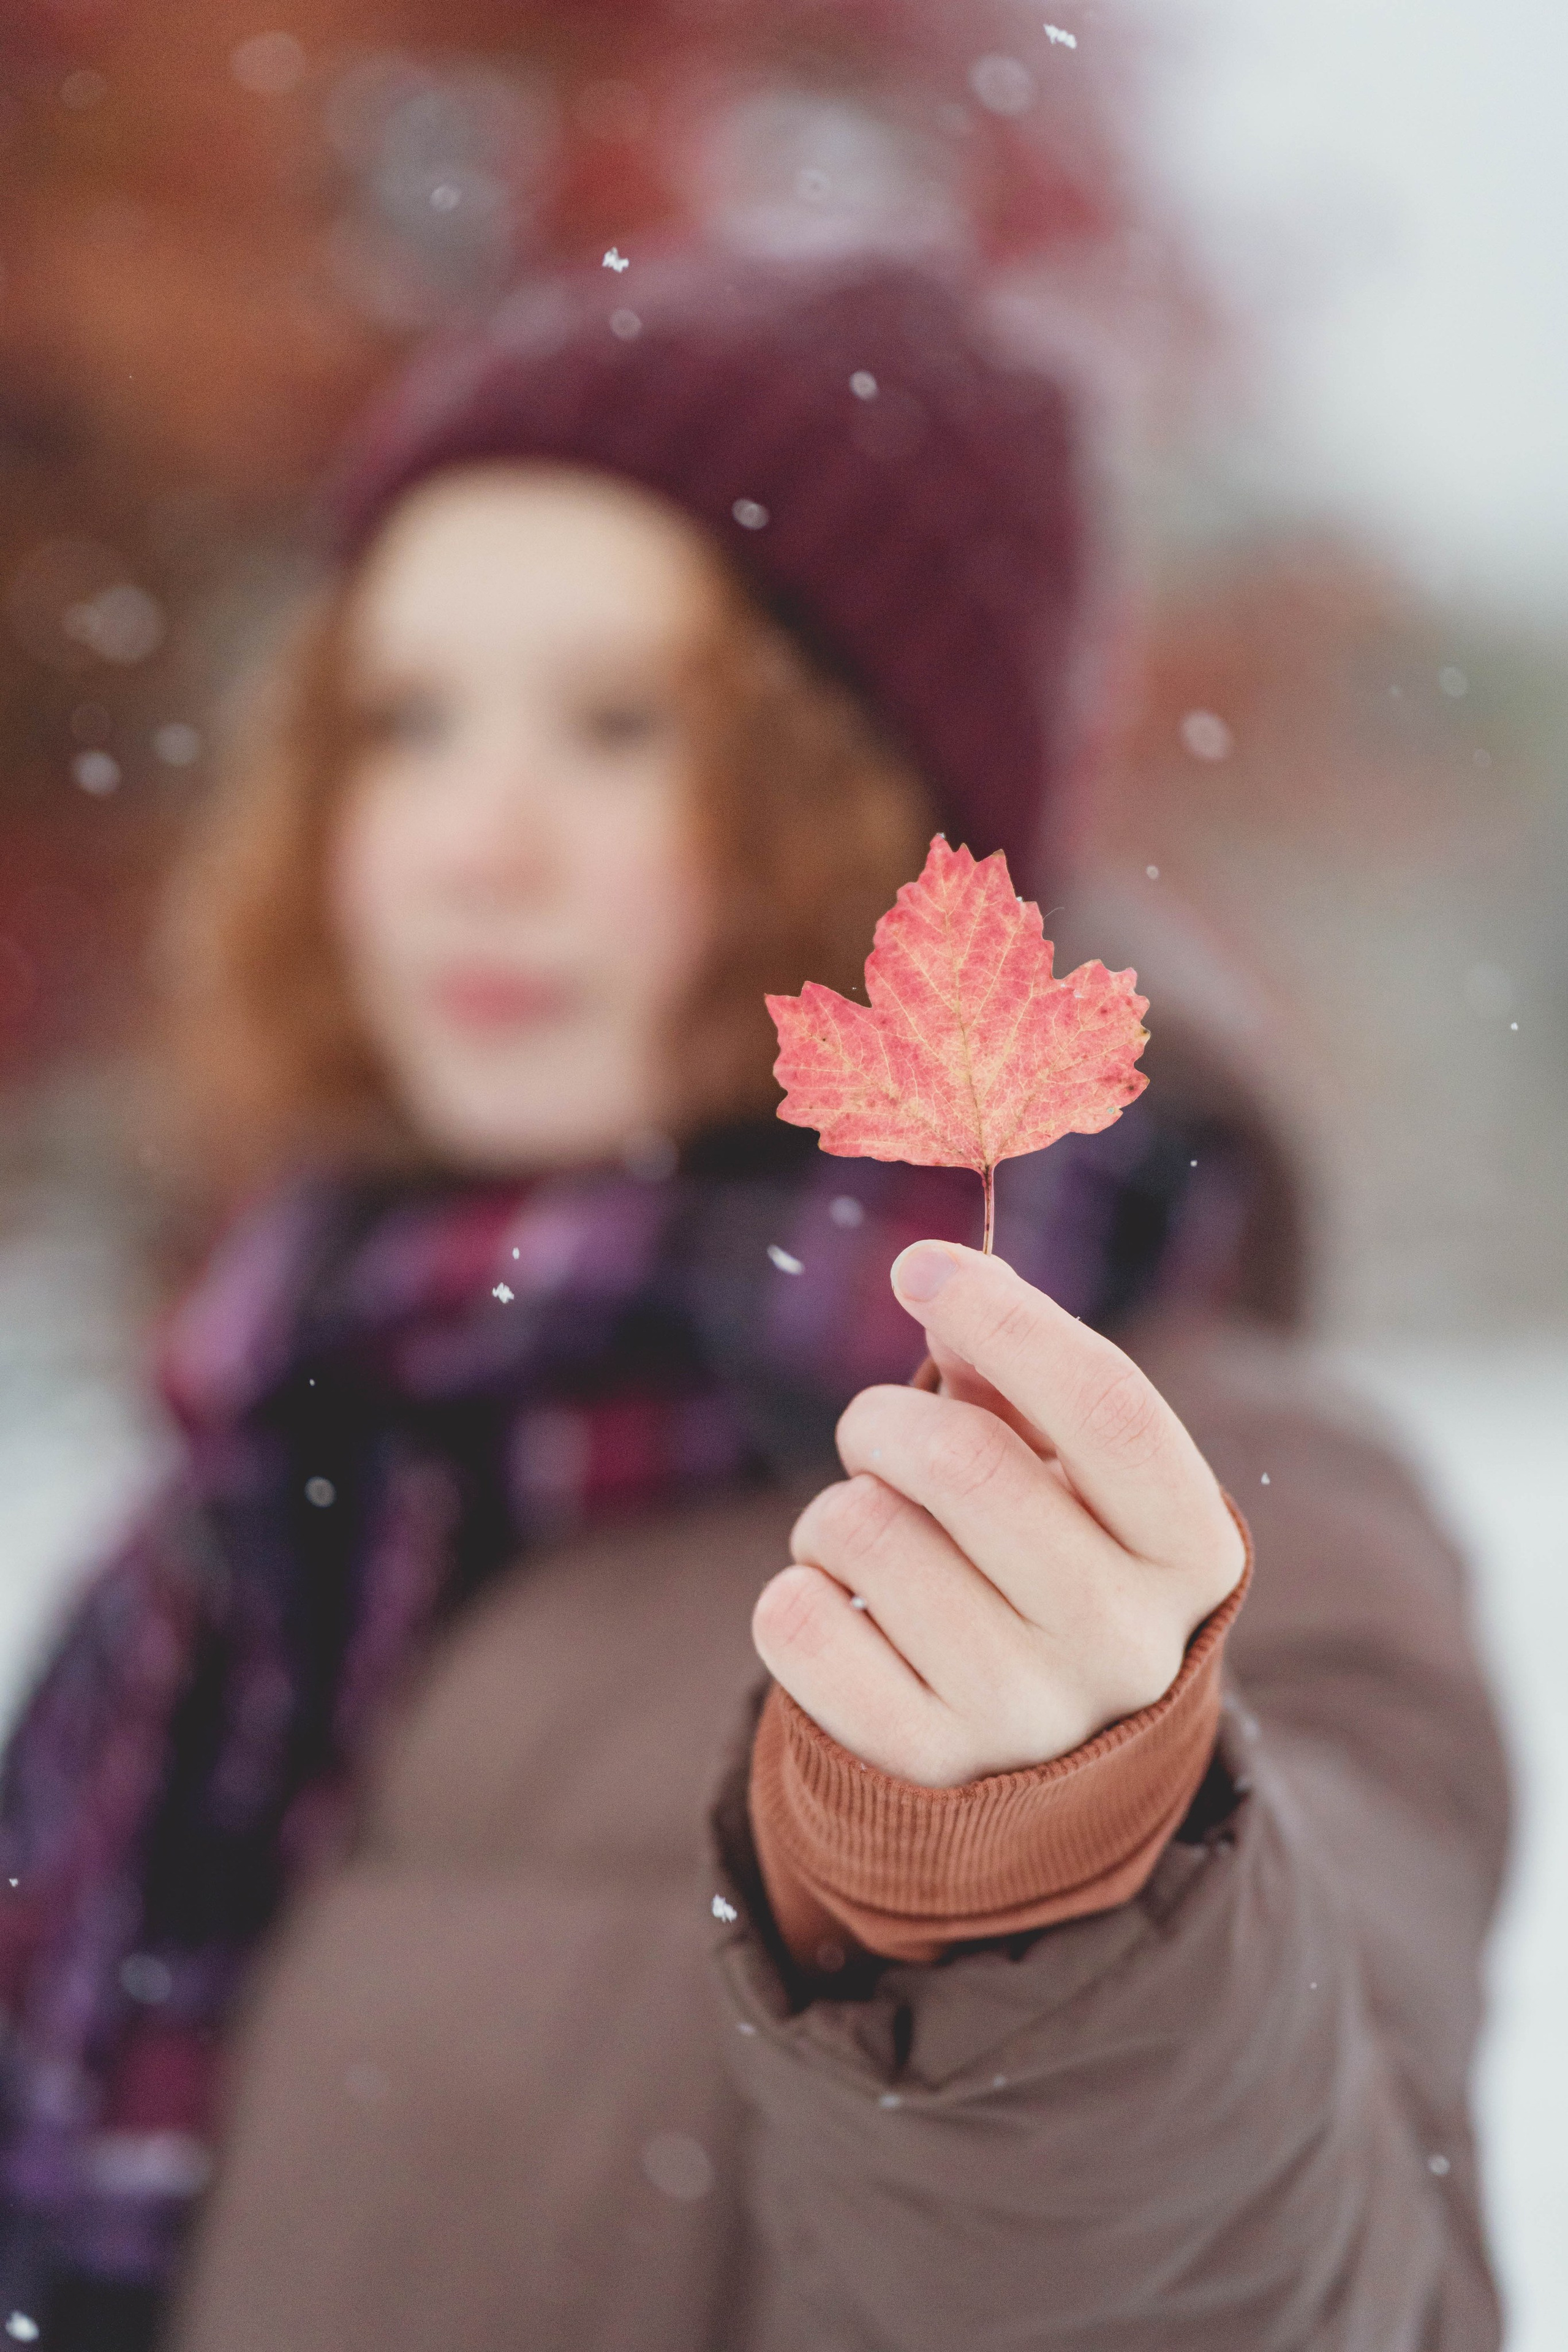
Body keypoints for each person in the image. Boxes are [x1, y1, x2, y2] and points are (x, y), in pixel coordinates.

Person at [0, 250, 1507, 2352]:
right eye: (406, 723)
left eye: (623, 726)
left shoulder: (1188, 1502)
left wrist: (1041, 1899)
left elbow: (1291, 2271)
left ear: (868, 812)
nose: (469, 844)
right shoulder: (281, 1451)